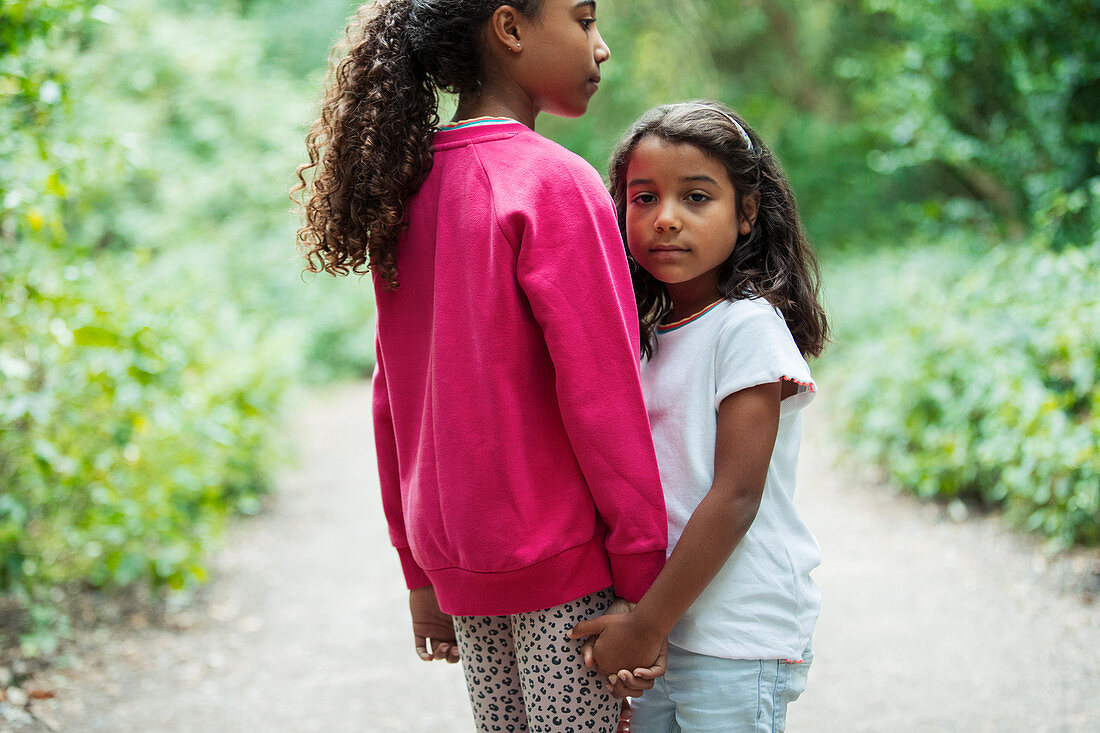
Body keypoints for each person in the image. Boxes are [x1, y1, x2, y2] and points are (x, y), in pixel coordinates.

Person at [293, 1, 668, 731]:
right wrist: (644, 584)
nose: (603, 47)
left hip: (461, 570)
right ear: (511, 27)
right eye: (585, 19)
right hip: (568, 574)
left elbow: (391, 399)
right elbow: (604, 401)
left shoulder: (408, 186)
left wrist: (419, 573)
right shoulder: (555, 183)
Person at [570, 101, 829, 733]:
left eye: (695, 197)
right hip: (666, 622)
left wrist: (644, 625)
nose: (666, 220)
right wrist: (644, 620)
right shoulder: (645, 336)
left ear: (746, 214)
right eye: (643, 198)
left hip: (736, 633)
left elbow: (736, 496)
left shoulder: (746, 327)